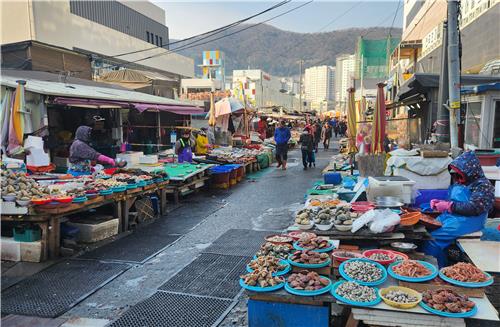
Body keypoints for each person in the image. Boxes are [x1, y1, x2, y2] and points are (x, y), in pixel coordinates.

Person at [423, 151, 495, 267]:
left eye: (459, 174)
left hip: (470, 220)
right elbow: (455, 202)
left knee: (433, 238)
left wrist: (449, 206)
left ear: (469, 171)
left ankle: (433, 270)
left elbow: (475, 207)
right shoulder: (462, 183)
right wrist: (440, 203)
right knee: (427, 230)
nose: (457, 177)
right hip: (454, 217)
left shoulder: (483, 186)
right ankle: (442, 264)